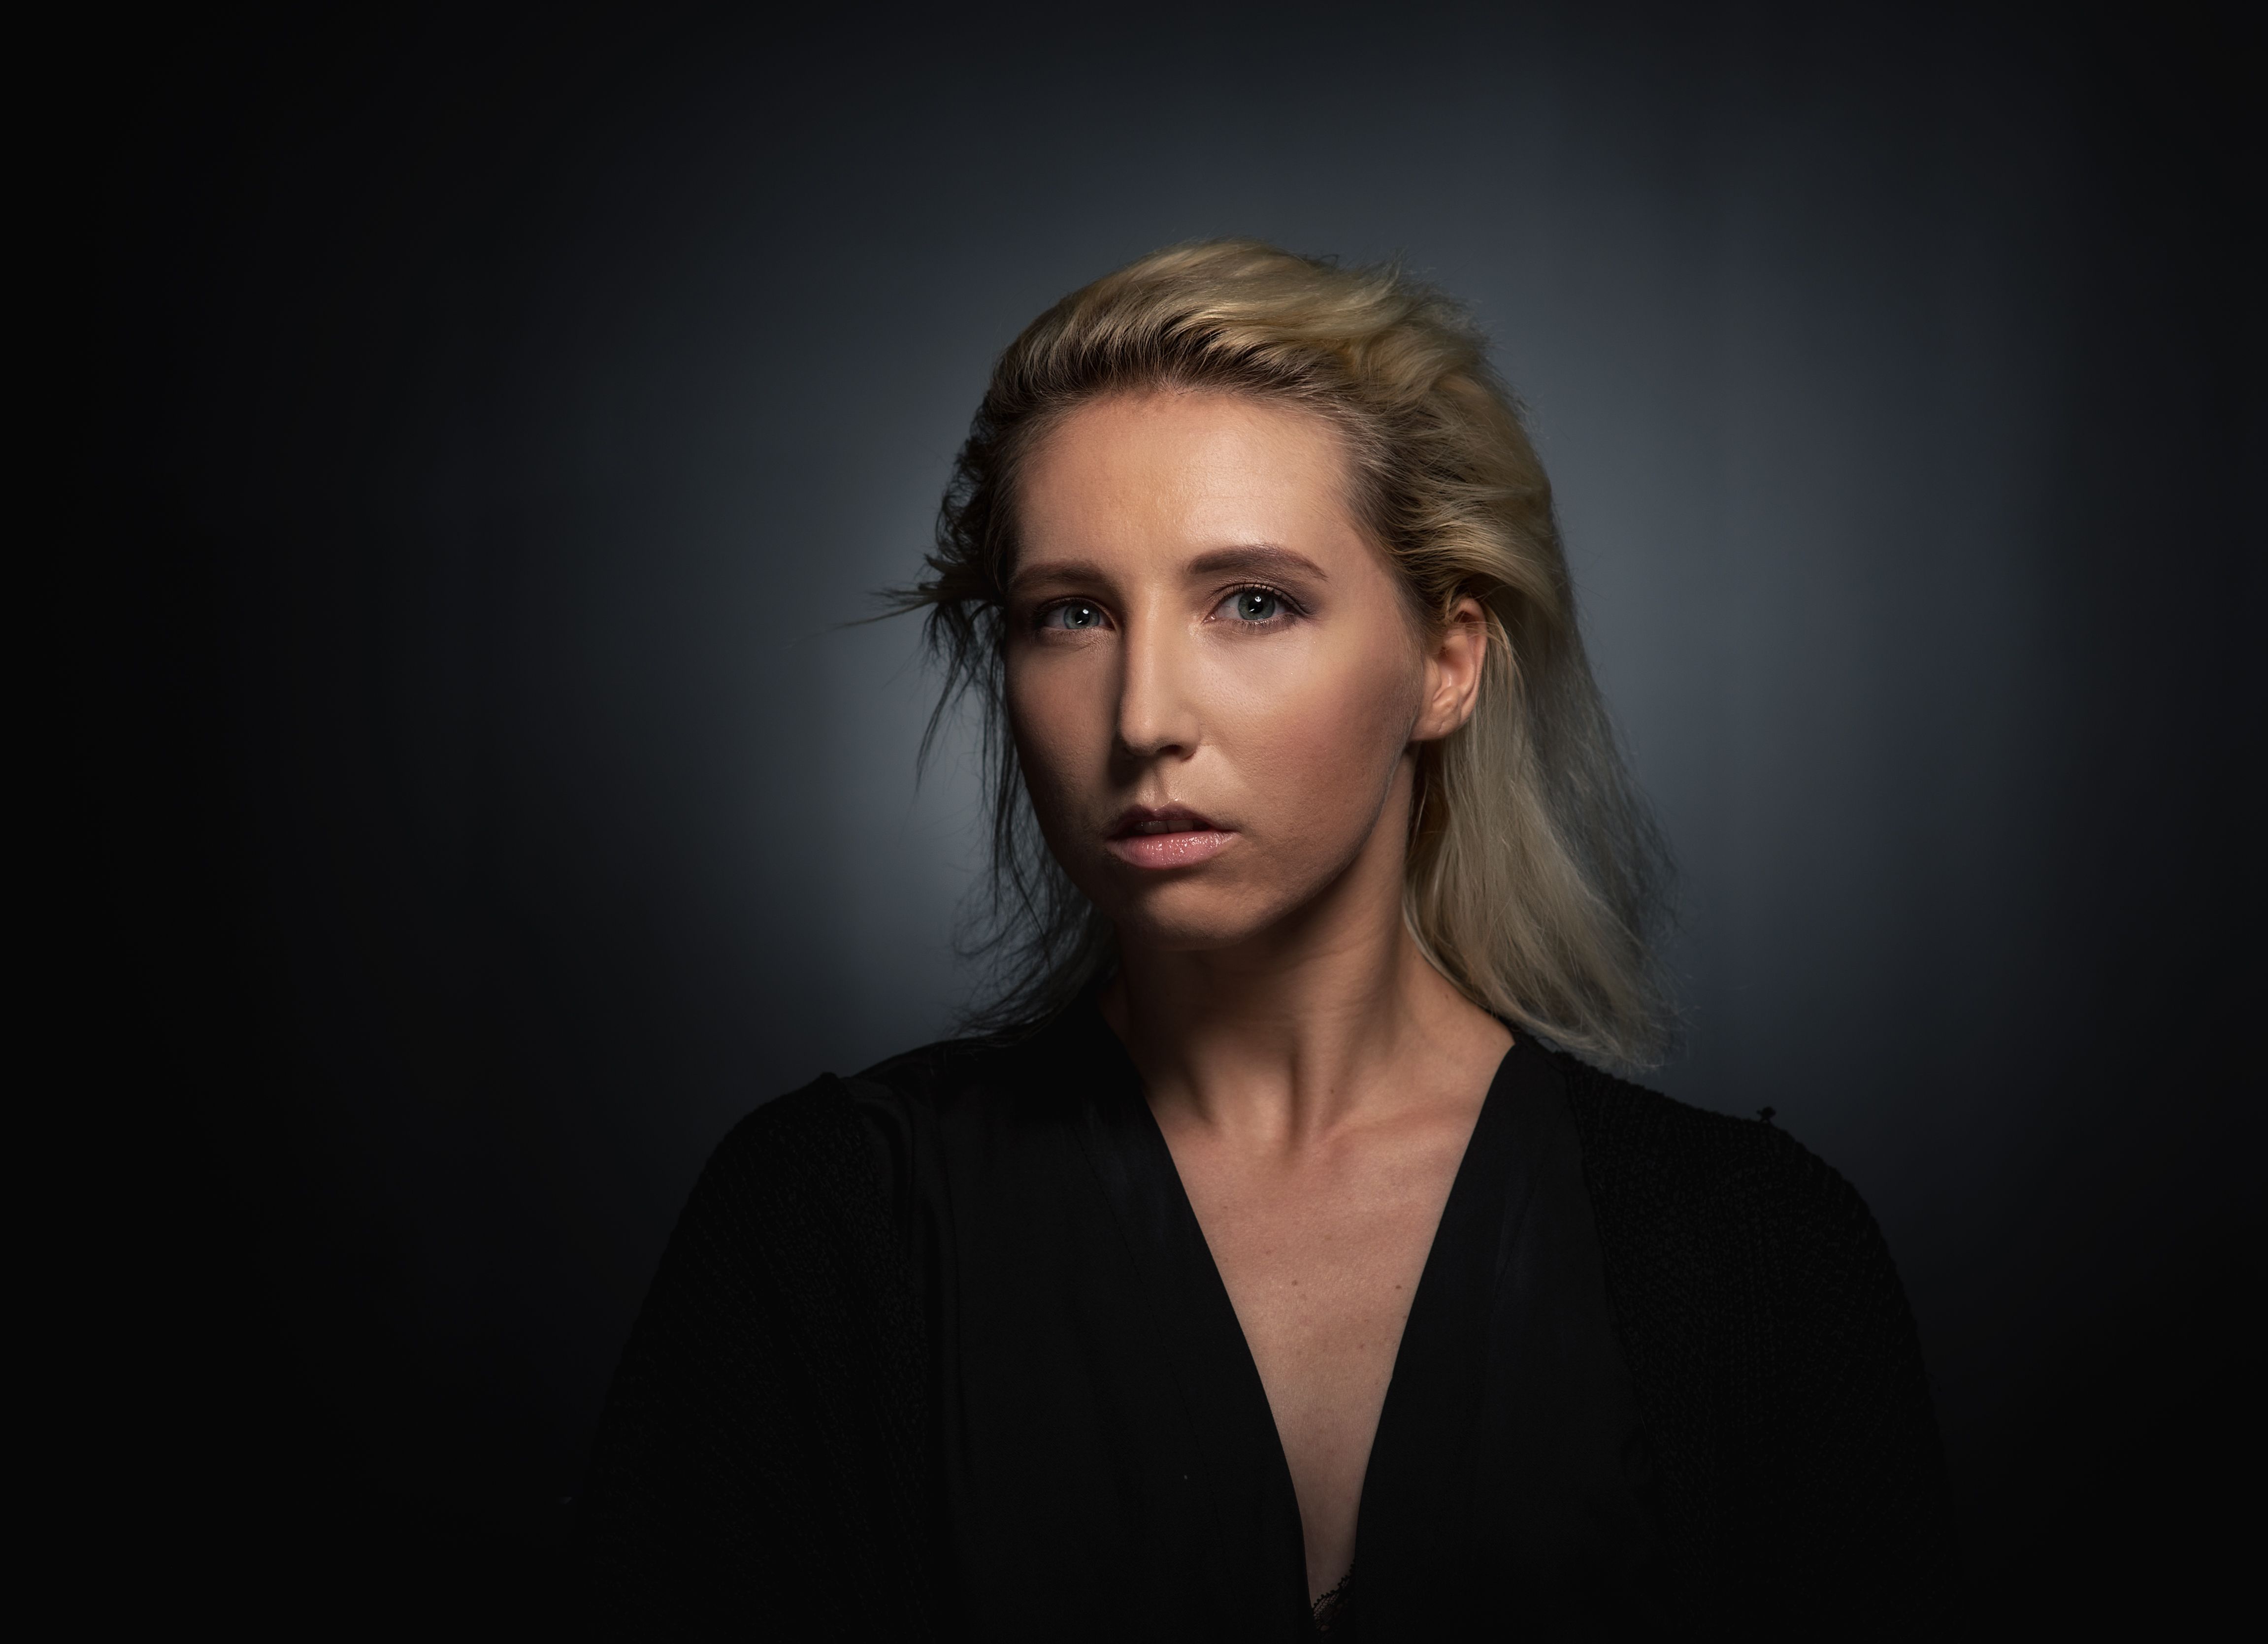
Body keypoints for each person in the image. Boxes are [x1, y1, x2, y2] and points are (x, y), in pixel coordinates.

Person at [581, 241, 1959, 1639]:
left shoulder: (1751, 1260)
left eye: (1253, 602)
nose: (1143, 718)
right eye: (1072, 614)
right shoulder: (831, 1230)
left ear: (1447, 662)